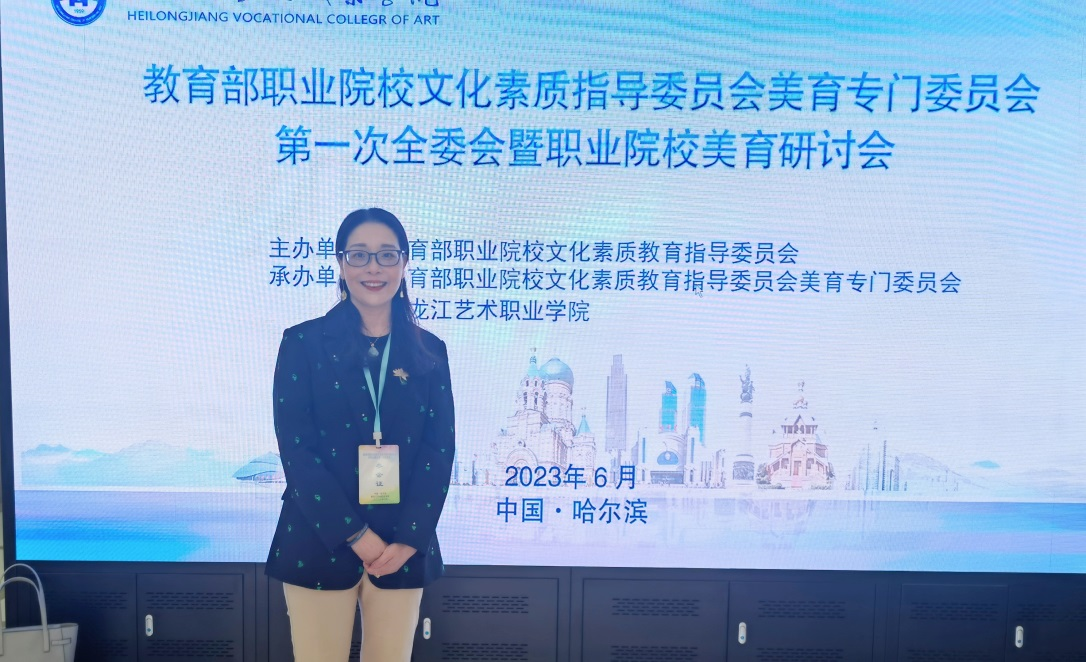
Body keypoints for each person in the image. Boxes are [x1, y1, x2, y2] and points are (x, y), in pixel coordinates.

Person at [265, 208, 455, 661]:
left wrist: (409, 539)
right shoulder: (303, 343)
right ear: (340, 262)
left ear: (404, 263)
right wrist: (355, 535)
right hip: (318, 537)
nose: (374, 267)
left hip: (402, 544)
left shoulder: (430, 350)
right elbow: (298, 452)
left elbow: (439, 450)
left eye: (387, 254)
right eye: (359, 255)